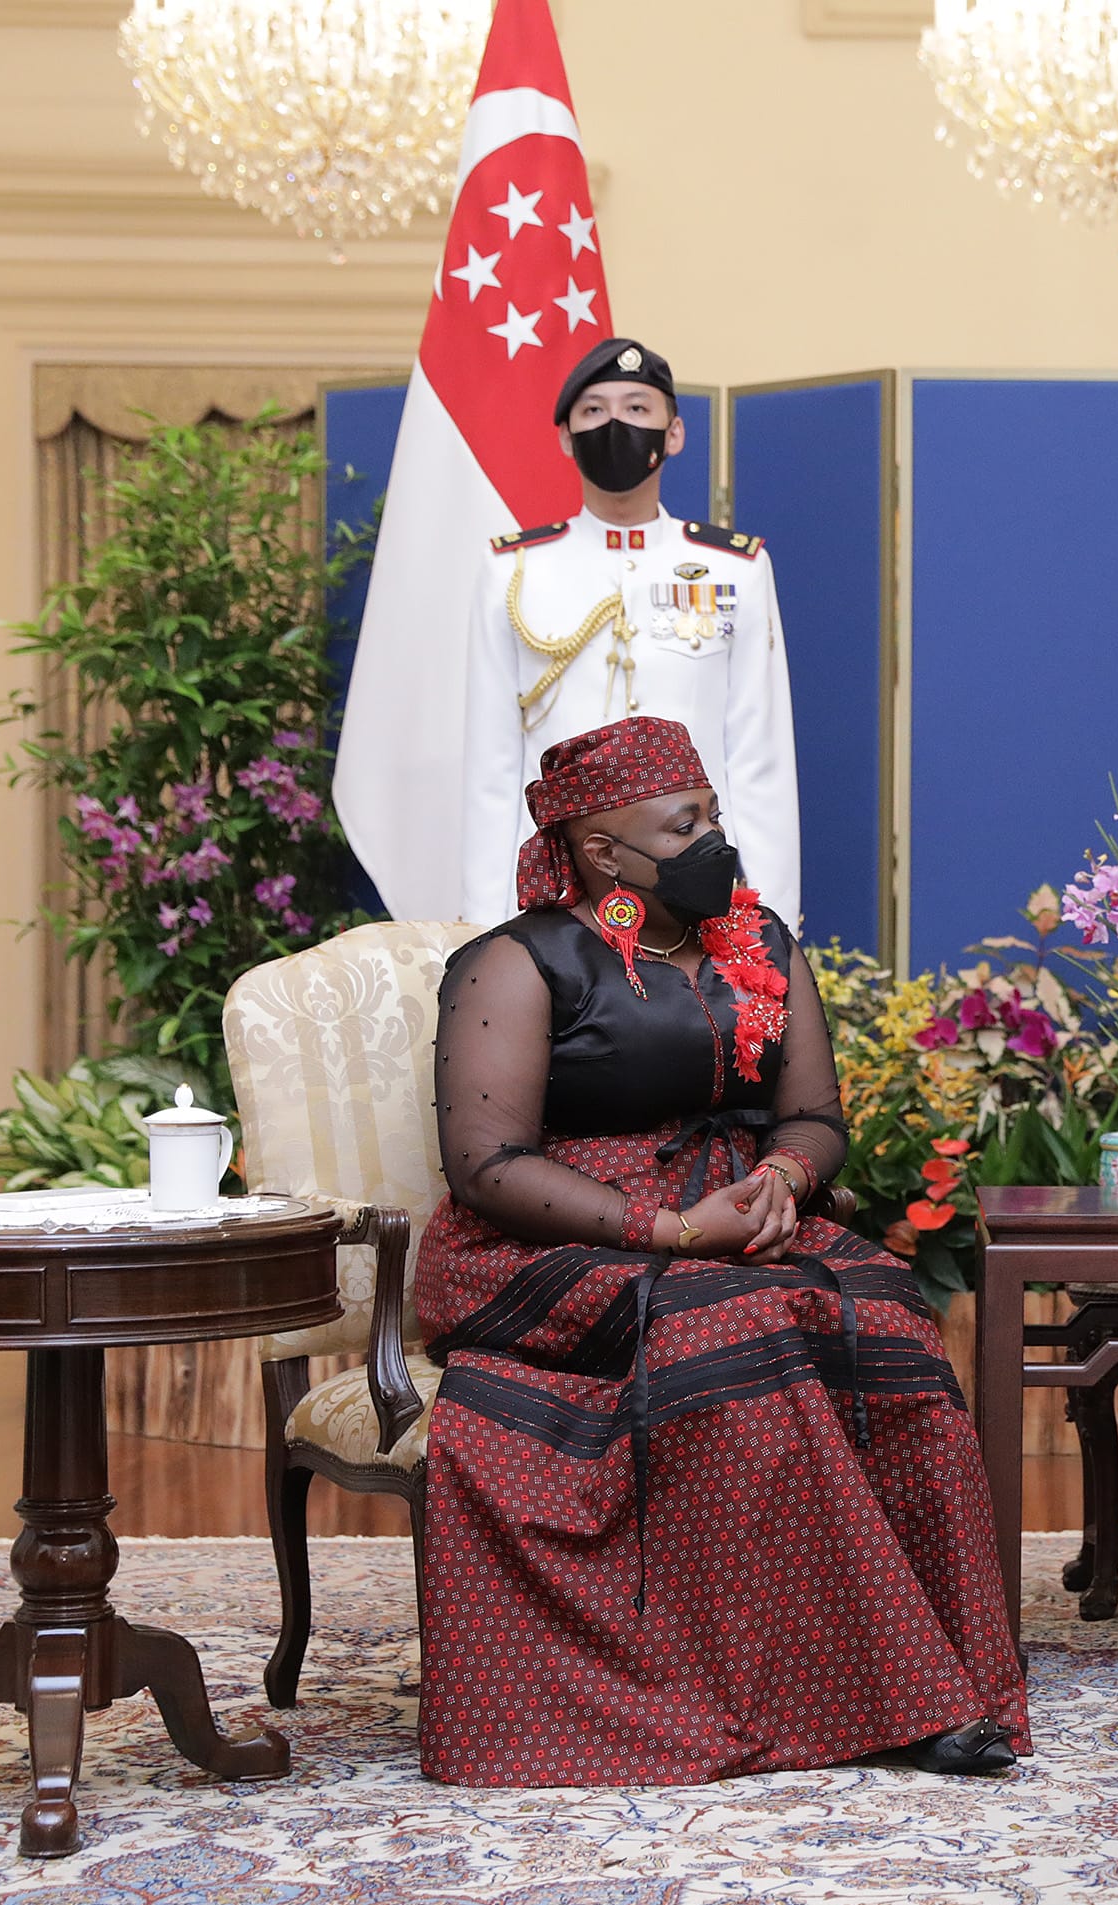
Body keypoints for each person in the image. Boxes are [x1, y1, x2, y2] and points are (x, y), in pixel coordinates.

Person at [412, 716, 1025, 1784]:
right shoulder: (518, 961)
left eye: (713, 814)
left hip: (735, 1209)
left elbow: (817, 1117)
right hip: (561, 1234)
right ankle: (833, 1697)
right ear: (604, 851)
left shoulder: (760, 939)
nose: (714, 840)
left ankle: (938, 1675)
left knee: (884, 1310)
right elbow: (487, 1163)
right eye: (683, 823)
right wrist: (673, 1230)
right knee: (742, 1324)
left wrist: (784, 1179)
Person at [460, 337, 801, 930]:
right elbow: (490, 764)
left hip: (694, 876)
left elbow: (759, 755)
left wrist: (769, 916)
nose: (616, 423)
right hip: (557, 880)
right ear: (566, 436)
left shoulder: (734, 569)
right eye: (594, 411)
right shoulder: (513, 570)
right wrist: (486, 917)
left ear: (674, 433)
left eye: (637, 408)